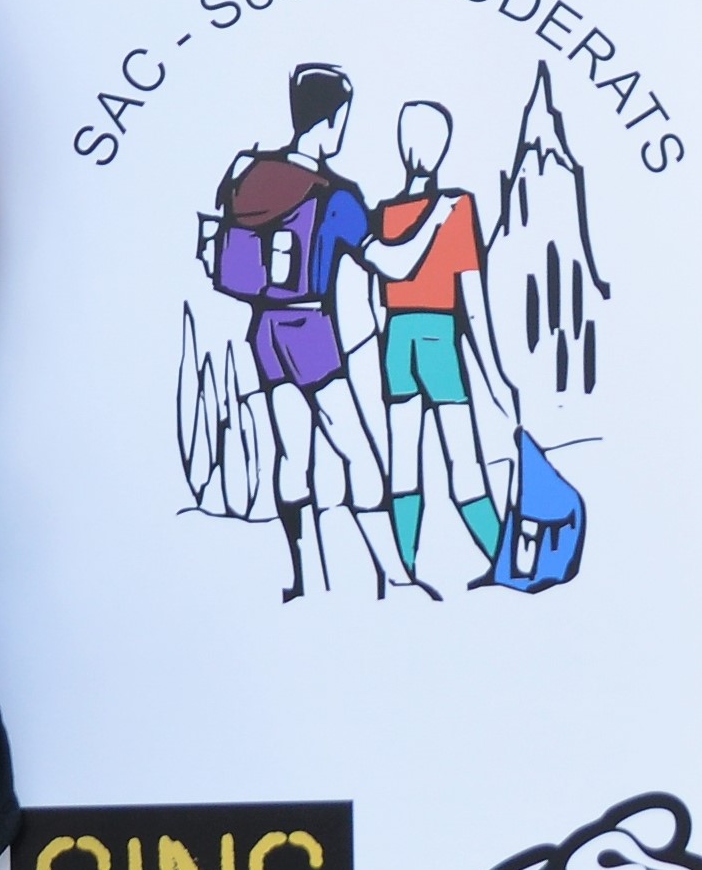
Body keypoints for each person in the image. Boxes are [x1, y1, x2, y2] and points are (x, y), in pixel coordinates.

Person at [205, 65, 410, 599]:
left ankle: (301, 577)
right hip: (309, 328)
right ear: (333, 120)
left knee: (293, 455)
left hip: (264, 329)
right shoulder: (335, 196)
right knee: (358, 452)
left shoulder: (251, 176)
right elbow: (384, 261)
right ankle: (395, 574)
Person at [370, 99, 513, 581]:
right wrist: (494, 376)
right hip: (437, 338)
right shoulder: (457, 207)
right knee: (464, 461)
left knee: (402, 460)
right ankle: (501, 559)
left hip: (396, 340)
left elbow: (376, 298)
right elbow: (473, 302)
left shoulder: (385, 214)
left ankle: (407, 567)